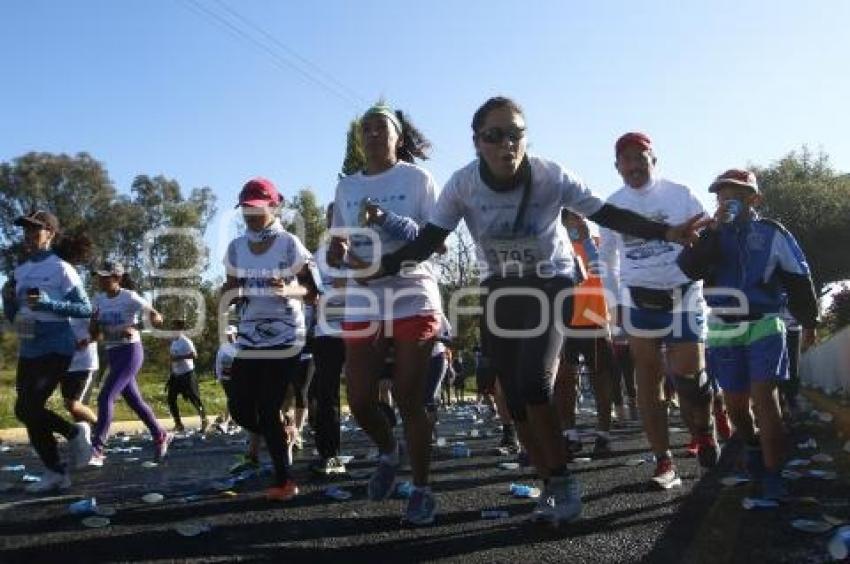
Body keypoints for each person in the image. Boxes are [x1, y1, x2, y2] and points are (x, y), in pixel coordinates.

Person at [368, 97, 707, 524]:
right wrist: (381, 268)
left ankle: (564, 483)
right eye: (495, 135)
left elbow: (607, 213)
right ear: (477, 142)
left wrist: (666, 231)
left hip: (552, 280)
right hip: (501, 287)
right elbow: (427, 240)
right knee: (513, 391)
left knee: (534, 381)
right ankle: (548, 479)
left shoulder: (551, 176)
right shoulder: (462, 185)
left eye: (515, 134)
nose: (506, 143)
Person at [326, 102, 444, 526]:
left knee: (412, 400)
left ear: (398, 137)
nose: (372, 135)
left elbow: (436, 242)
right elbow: (339, 241)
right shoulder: (347, 187)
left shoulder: (417, 179)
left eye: (380, 128)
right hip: (365, 295)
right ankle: (389, 453)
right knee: (358, 400)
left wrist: (388, 220)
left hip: (412, 293)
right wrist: (337, 250)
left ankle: (424, 488)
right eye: (365, 129)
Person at [677, 168, 818, 500]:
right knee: (736, 404)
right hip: (724, 325)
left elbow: (799, 277)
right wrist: (711, 231)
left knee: (764, 397)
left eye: (736, 195)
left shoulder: (772, 233)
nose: (728, 202)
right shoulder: (712, 233)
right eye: (722, 196)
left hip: (765, 322)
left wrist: (809, 321)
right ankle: (752, 446)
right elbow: (689, 268)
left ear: (754, 199)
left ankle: (773, 473)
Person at [599, 131, 717, 490]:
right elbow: (606, 259)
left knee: (689, 378)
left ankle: (704, 429)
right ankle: (664, 461)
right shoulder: (612, 206)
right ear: (617, 166)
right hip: (639, 300)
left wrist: (703, 274)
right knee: (647, 383)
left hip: (683, 296)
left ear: (654, 159)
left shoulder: (679, 194)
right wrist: (616, 303)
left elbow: (709, 238)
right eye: (627, 160)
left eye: (641, 157)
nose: (635, 165)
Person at [222, 177, 317, 501]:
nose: (251, 213)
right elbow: (231, 288)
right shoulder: (236, 247)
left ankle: (284, 480)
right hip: (249, 337)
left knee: (267, 404)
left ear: (273, 206)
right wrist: (228, 295)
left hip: (286, 336)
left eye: (258, 207)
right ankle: (283, 431)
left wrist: (287, 289)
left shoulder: (289, 243)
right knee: (239, 407)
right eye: (246, 208)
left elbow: (312, 292)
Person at [1, 211, 93, 492]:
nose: (29, 235)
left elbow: (85, 308)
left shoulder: (62, 269)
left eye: (35, 230)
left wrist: (49, 303)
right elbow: (16, 315)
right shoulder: (19, 270)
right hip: (30, 346)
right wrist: (8, 301)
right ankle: (56, 472)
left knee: (28, 407)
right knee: (27, 411)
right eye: (26, 230)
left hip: (57, 346)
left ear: (50, 233)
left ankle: (73, 432)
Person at [88, 261, 170, 466]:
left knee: (106, 396)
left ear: (117, 278)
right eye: (99, 276)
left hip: (131, 352)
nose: (100, 280)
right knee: (135, 401)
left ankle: (97, 449)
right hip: (112, 353)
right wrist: (93, 324)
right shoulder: (97, 300)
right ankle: (160, 434)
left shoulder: (129, 297)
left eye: (105, 276)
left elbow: (157, 317)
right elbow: (95, 335)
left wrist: (135, 327)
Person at [555, 210, 618, 458]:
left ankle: (603, 433)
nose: (575, 223)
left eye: (579, 218)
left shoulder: (599, 245)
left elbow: (604, 273)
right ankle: (570, 434)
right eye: (569, 219)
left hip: (595, 319)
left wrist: (586, 240)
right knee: (564, 378)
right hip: (565, 321)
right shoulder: (558, 247)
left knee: (600, 376)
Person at [309, 203, 349, 476]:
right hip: (326, 335)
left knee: (369, 394)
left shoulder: (365, 254)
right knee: (325, 395)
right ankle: (330, 454)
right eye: (332, 220)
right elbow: (312, 297)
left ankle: (389, 448)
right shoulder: (317, 258)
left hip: (362, 332)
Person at [166, 319, 207, 433]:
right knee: (171, 399)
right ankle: (178, 424)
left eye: (174, 328)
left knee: (194, 399)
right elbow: (172, 359)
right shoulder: (174, 342)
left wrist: (179, 358)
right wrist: (171, 373)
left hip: (187, 374)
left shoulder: (186, 341)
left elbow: (194, 355)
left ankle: (204, 420)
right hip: (176, 375)